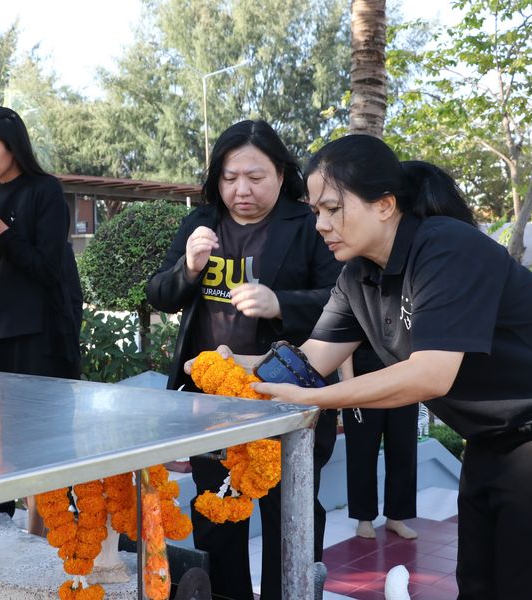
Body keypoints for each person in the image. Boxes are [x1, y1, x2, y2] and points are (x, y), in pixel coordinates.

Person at [188, 135, 532, 600]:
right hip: (492, 436)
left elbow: (430, 374)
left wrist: (315, 399)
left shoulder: (445, 248)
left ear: (384, 204)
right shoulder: (357, 275)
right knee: (477, 583)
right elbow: (310, 359)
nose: (321, 224)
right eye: (315, 212)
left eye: (333, 208)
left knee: (529, 586)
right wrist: (233, 365)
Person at [146, 120, 341, 600]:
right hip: (211, 402)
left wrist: (281, 304)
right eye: (230, 178)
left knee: (288, 513)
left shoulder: (307, 225)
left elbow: (343, 299)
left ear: (281, 174)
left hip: (284, 396)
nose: (241, 190)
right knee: (217, 516)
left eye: (255, 177)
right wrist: (189, 268)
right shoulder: (201, 222)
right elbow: (160, 294)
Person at [0, 105, 83, 534]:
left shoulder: (44, 191)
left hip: (38, 338)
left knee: (41, 445)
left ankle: (52, 534)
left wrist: (1, 230)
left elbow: (48, 268)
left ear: (13, 146)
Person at [341, 345, 418, 540]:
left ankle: (396, 517)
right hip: (364, 381)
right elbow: (344, 343)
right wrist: (349, 385)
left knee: (403, 449)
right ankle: (364, 517)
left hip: (405, 382)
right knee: (361, 452)